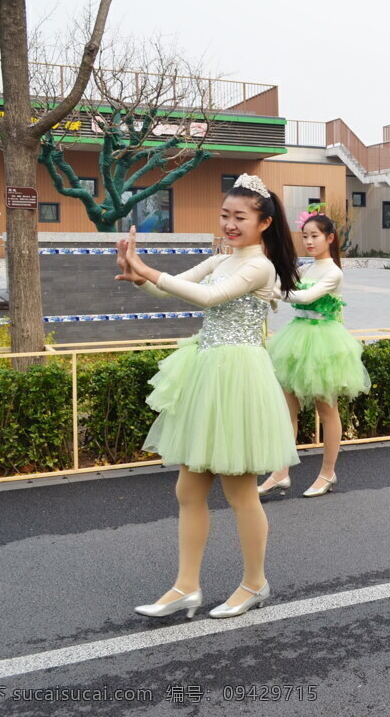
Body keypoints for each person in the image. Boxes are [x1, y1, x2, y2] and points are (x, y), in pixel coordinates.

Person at [120, 174, 301, 619]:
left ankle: (255, 583)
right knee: (188, 488)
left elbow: (208, 298)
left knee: (240, 490)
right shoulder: (221, 258)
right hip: (208, 372)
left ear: (264, 222)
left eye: (240, 216)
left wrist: (149, 270)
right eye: (225, 215)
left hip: (237, 376)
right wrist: (138, 275)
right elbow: (172, 286)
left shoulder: (259, 266)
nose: (230, 223)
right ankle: (186, 587)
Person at [258, 212, 371, 497]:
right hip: (297, 339)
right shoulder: (306, 269)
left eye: (314, 236)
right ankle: (280, 472)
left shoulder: (334, 272)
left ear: (330, 238)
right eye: (305, 236)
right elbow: (288, 289)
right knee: (287, 409)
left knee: (326, 410)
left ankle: (327, 473)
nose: (308, 241)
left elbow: (303, 297)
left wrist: (269, 290)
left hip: (323, 344)